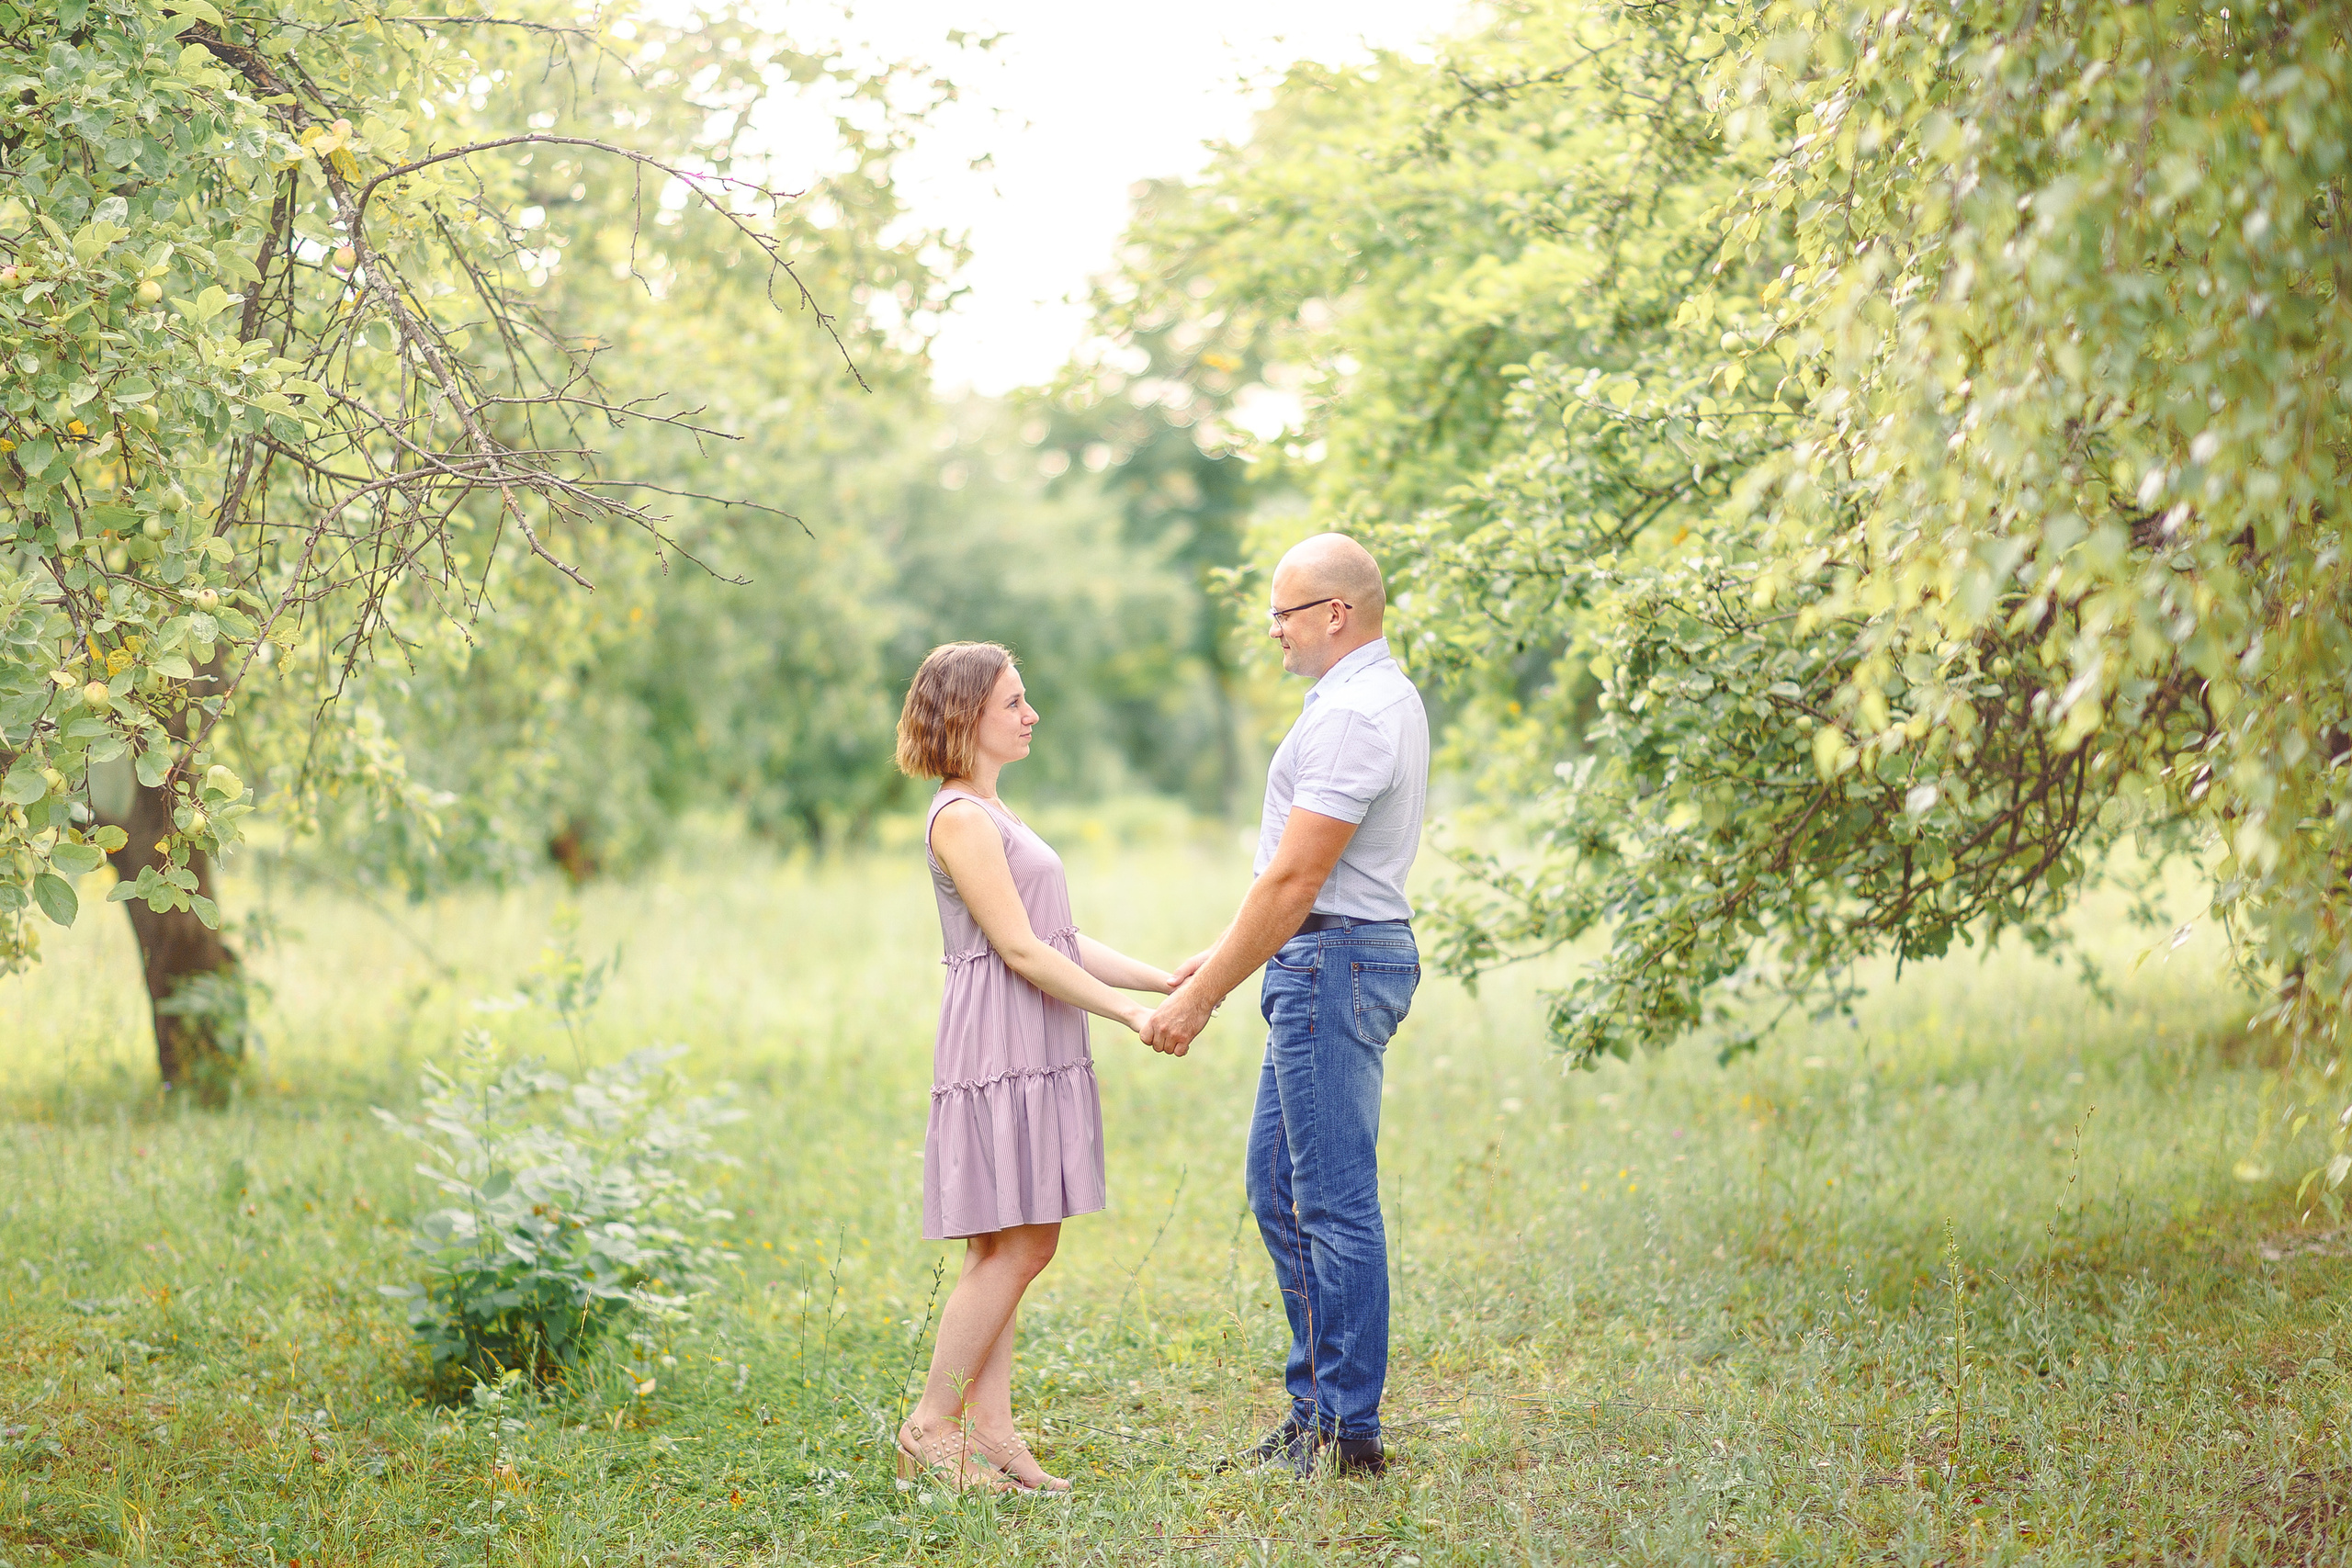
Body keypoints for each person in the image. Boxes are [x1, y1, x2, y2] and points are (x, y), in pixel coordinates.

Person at [1142, 533, 1430, 1478]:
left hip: (1332, 963)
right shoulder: (1362, 699)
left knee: (1332, 1202)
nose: (1272, 630)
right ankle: (1317, 1414)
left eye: (1285, 612)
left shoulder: (1353, 715)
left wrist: (1203, 997)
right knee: (1279, 1188)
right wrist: (1221, 955)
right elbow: (1289, 879)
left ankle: (1345, 1435)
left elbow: (1298, 880)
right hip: (1323, 955)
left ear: (1335, 614)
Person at [892, 640, 1178, 1494]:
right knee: (1024, 1240)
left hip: (1029, 1032)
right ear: (968, 714)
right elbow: (1017, 947)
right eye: (1015, 701)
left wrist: (1159, 976)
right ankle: (930, 1425)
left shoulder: (992, 809)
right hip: (1002, 1040)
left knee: (1006, 1238)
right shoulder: (963, 816)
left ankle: (993, 1431)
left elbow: (1055, 934)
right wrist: (1126, 1012)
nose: (1031, 713)